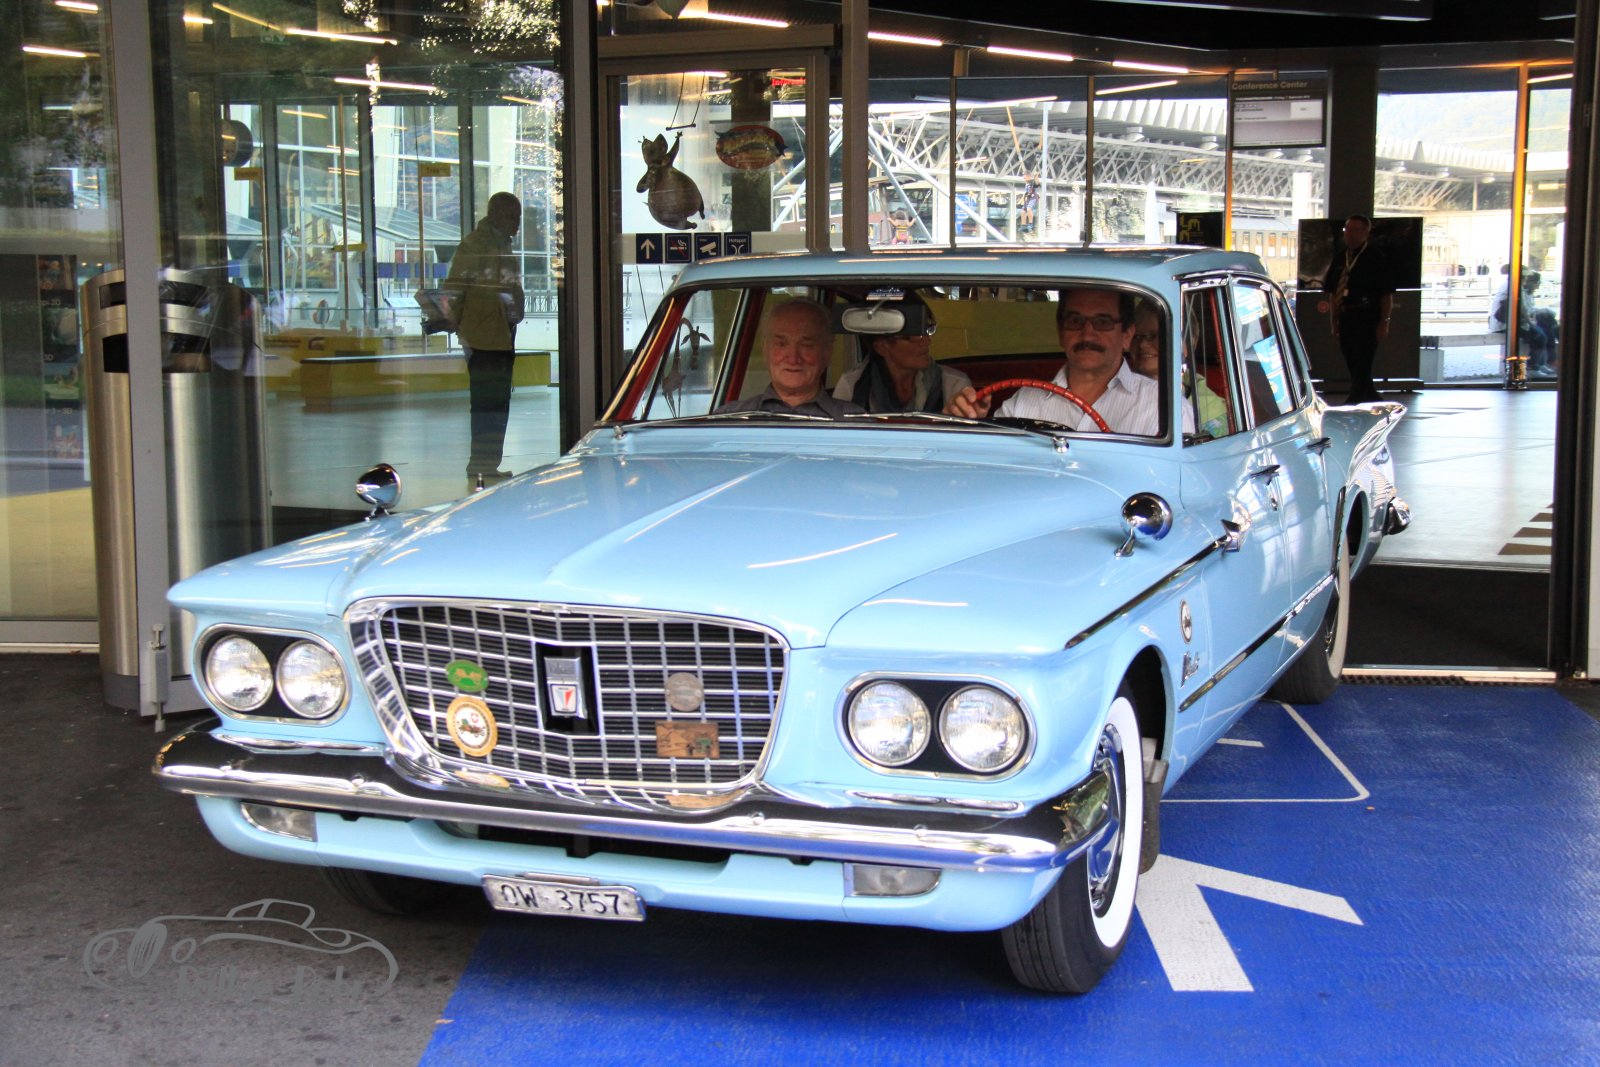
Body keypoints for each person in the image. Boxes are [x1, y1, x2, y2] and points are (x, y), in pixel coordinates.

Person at [944, 286, 1168, 436]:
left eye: (1103, 322)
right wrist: (963, 425)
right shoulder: (1023, 403)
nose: (1087, 334)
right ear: (1061, 334)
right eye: (1075, 320)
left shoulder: (1162, 408)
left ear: (1127, 335)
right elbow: (990, 469)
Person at [445, 191, 524, 483]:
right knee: (487, 404)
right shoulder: (475, 246)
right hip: (483, 337)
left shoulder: (501, 245)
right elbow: (455, 288)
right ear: (495, 216)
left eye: (518, 217)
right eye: (512, 216)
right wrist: (453, 320)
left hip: (500, 334)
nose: (517, 223)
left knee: (496, 404)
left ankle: (487, 463)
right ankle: (481, 464)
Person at [717, 298, 864, 417]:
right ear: (765, 349)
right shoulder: (729, 419)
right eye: (781, 344)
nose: (793, 359)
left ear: (827, 351)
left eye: (806, 345)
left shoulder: (856, 422)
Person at [833, 299, 972, 413]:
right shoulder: (850, 385)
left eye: (926, 330)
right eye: (912, 336)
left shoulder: (954, 385)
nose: (926, 341)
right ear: (882, 347)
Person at [1322, 213, 1394, 404]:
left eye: (1355, 230)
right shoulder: (1340, 258)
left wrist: (1384, 321)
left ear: (1366, 232)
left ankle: (1356, 397)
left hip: (1368, 316)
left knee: (1363, 357)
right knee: (1350, 356)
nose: (1350, 234)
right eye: (1347, 229)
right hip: (1346, 316)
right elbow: (1333, 293)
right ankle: (1369, 395)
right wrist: (1334, 321)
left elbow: (1386, 294)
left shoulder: (1376, 258)